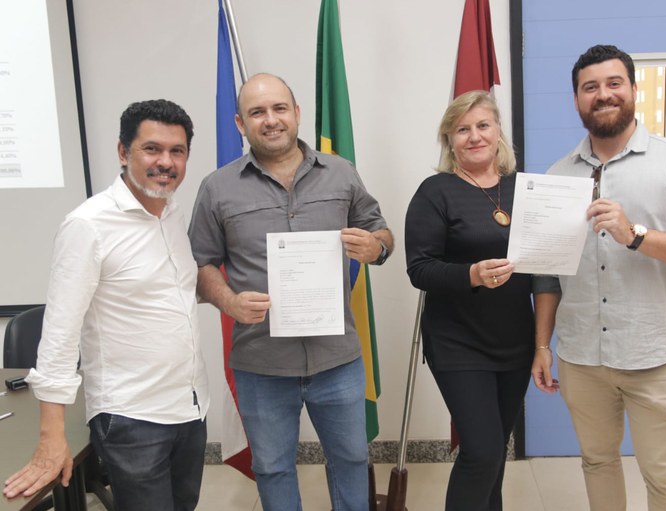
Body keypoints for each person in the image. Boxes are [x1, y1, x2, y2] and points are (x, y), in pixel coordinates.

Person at [531, 44, 666, 511]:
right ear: (577, 99)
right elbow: (547, 274)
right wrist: (543, 346)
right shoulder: (558, 176)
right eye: (590, 87)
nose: (602, 95)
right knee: (596, 462)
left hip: (656, 355)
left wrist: (637, 235)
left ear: (633, 90)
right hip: (582, 359)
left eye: (613, 83)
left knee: (664, 478)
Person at [188, 73, 393, 511]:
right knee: (274, 468)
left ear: (297, 114)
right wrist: (228, 301)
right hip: (261, 363)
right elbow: (201, 264)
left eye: (279, 108)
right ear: (241, 124)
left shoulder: (340, 173)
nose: (271, 120)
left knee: (352, 460)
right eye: (257, 112)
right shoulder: (217, 188)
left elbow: (381, 231)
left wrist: (376, 247)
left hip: (337, 358)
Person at [2, 99, 210, 510]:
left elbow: (171, 297)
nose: (165, 162)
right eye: (152, 149)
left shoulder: (171, 214)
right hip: (132, 419)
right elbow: (59, 336)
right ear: (122, 151)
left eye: (177, 151)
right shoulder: (88, 226)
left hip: (190, 408)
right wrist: (51, 437)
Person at [404, 90, 545, 511]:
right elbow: (419, 269)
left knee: (494, 453)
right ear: (449, 139)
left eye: (482, 125)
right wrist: (472, 274)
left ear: (498, 130)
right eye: (462, 129)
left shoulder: (526, 188)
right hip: (457, 342)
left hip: (514, 342)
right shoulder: (436, 192)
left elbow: (546, 268)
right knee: (481, 452)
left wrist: (541, 346)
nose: (474, 136)